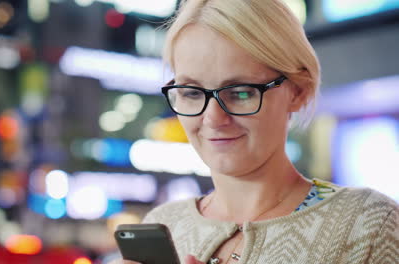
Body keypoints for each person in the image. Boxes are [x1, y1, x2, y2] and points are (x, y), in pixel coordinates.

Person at [113, 0, 399, 263]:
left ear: (298, 90)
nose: (213, 118)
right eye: (191, 92)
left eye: (240, 92)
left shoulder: (367, 225)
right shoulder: (166, 223)